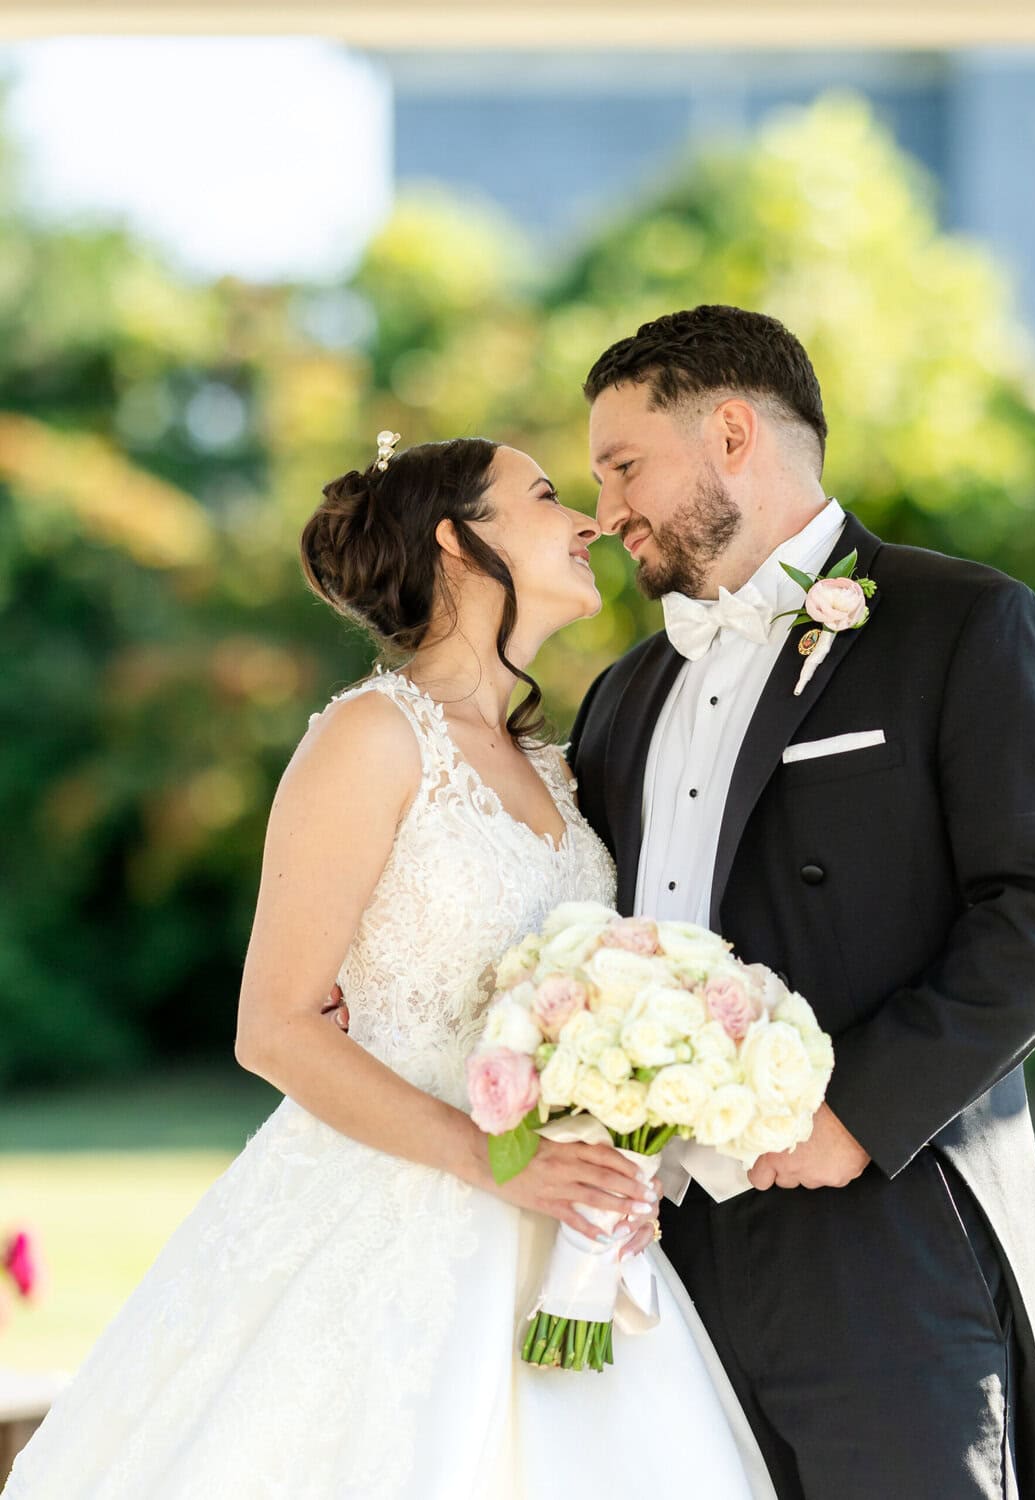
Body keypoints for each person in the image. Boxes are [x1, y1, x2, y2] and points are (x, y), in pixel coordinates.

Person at [2, 435, 774, 1499]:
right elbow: (273, 1025)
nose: (590, 520)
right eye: (548, 497)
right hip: (395, 1212)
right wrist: (496, 1159)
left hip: (563, 1235)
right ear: (460, 543)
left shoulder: (555, 763)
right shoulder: (370, 737)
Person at [567, 305, 1035, 1500]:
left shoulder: (957, 622)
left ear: (731, 432)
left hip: (883, 1219)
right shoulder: (622, 694)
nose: (606, 509)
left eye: (624, 466)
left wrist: (857, 1116)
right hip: (661, 1251)